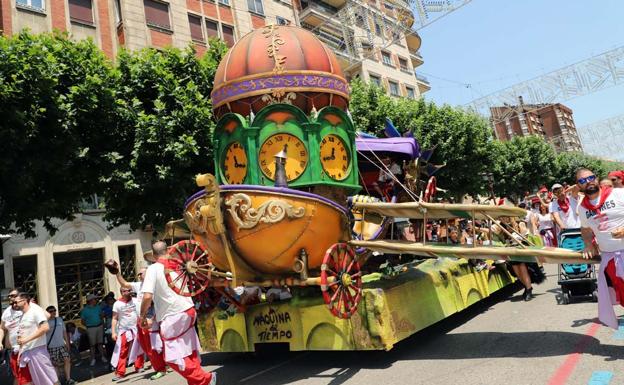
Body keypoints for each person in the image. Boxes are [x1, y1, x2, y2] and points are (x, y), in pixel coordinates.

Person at [140, 241, 217, 385]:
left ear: (154, 255)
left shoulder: (153, 269)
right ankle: (197, 382)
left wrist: (142, 317)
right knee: (189, 352)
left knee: (172, 357)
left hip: (174, 316)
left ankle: (205, 379)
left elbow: (147, 296)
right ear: (167, 251)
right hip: (188, 310)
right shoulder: (179, 264)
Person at [577, 168, 624, 329]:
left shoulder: (617, 194)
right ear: (579, 186)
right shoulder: (582, 208)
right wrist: (588, 243)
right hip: (610, 259)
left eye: (590, 177)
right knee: (623, 296)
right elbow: (585, 230)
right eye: (583, 180)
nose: (588, 181)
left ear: (596, 179)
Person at [107, 262, 168, 381]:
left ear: (149, 273)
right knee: (146, 348)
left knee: (153, 347)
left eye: (141, 273)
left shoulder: (155, 286)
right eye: (138, 274)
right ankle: (162, 365)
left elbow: (158, 304)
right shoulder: (139, 285)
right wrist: (117, 272)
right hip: (140, 322)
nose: (139, 275)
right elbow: (124, 284)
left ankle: (161, 368)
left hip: (150, 321)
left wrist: (152, 318)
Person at [15, 292, 60, 385]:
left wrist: (26, 339)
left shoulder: (35, 312)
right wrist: (20, 351)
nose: (14, 304)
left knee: (51, 378)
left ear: (24, 301)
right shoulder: (23, 316)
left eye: (16, 302)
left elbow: (45, 327)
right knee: (39, 381)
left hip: (38, 350)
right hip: (29, 351)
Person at [110, 287, 143, 381]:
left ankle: (139, 366)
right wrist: (113, 332)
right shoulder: (117, 304)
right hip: (124, 330)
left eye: (129, 290)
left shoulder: (136, 301)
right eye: (125, 291)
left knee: (138, 347)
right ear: (121, 292)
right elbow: (114, 318)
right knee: (122, 351)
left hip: (136, 328)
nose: (128, 292)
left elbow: (141, 312)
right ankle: (120, 372)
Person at [45, 305, 76, 384]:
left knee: (67, 360)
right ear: (47, 313)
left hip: (61, 345)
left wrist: (67, 343)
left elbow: (64, 332)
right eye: (51, 311)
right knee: (55, 364)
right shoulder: (45, 322)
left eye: (54, 310)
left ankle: (68, 379)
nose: (53, 312)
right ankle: (56, 381)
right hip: (51, 347)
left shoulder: (59, 319)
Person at [0, 288, 22, 385]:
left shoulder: (26, 308)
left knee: (27, 374)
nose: (10, 297)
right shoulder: (6, 312)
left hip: (26, 348)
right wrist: (0, 341)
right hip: (12, 350)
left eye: (13, 295)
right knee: (16, 375)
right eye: (9, 296)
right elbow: (2, 328)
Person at [79, 294, 107, 366]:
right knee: (92, 345)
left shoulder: (98, 307)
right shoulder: (84, 310)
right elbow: (82, 321)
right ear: (90, 301)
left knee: (100, 343)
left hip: (99, 326)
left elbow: (101, 316)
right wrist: (89, 325)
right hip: (91, 328)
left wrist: (102, 323)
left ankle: (103, 356)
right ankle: (93, 359)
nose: (96, 300)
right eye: (94, 299)